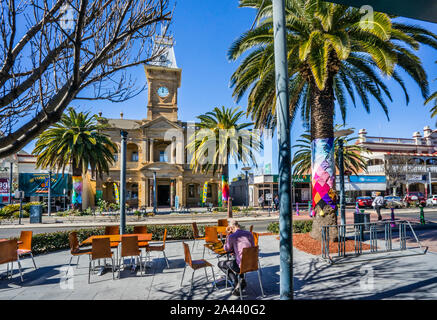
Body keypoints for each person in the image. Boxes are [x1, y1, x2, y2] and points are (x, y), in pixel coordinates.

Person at [218, 219, 255, 296]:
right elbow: (253, 247)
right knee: (238, 258)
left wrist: (227, 234)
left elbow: (226, 249)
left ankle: (236, 283)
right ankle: (241, 279)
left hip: (240, 265)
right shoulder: (249, 234)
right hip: (252, 263)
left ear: (231, 228)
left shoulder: (232, 236)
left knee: (221, 264)